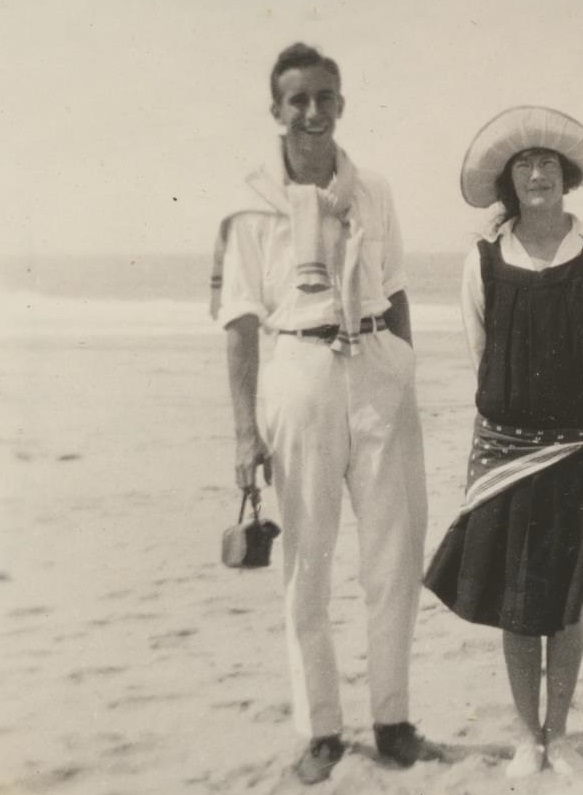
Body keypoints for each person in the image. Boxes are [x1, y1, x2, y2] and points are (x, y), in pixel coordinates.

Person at [212, 43, 434, 785]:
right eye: (298, 100)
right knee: (307, 560)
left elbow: (395, 289)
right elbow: (240, 321)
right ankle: (322, 729)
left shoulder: (372, 190)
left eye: (325, 97)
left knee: (394, 554)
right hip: (298, 370)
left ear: (341, 103)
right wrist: (244, 432)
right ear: (276, 110)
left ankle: (393, 719)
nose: (313, 112)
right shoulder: (250, 203)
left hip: (375, 367)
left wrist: (401, 370)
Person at [423, 106, 583, 779]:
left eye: (548, 162)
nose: (537, 174)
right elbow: (481, 351)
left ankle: (561, 733)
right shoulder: (483, 260)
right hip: (508, 455)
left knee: (567, 600)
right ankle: (526, 733)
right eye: (524, 164)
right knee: (517, 603)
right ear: (508, 180)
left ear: (566, 175)